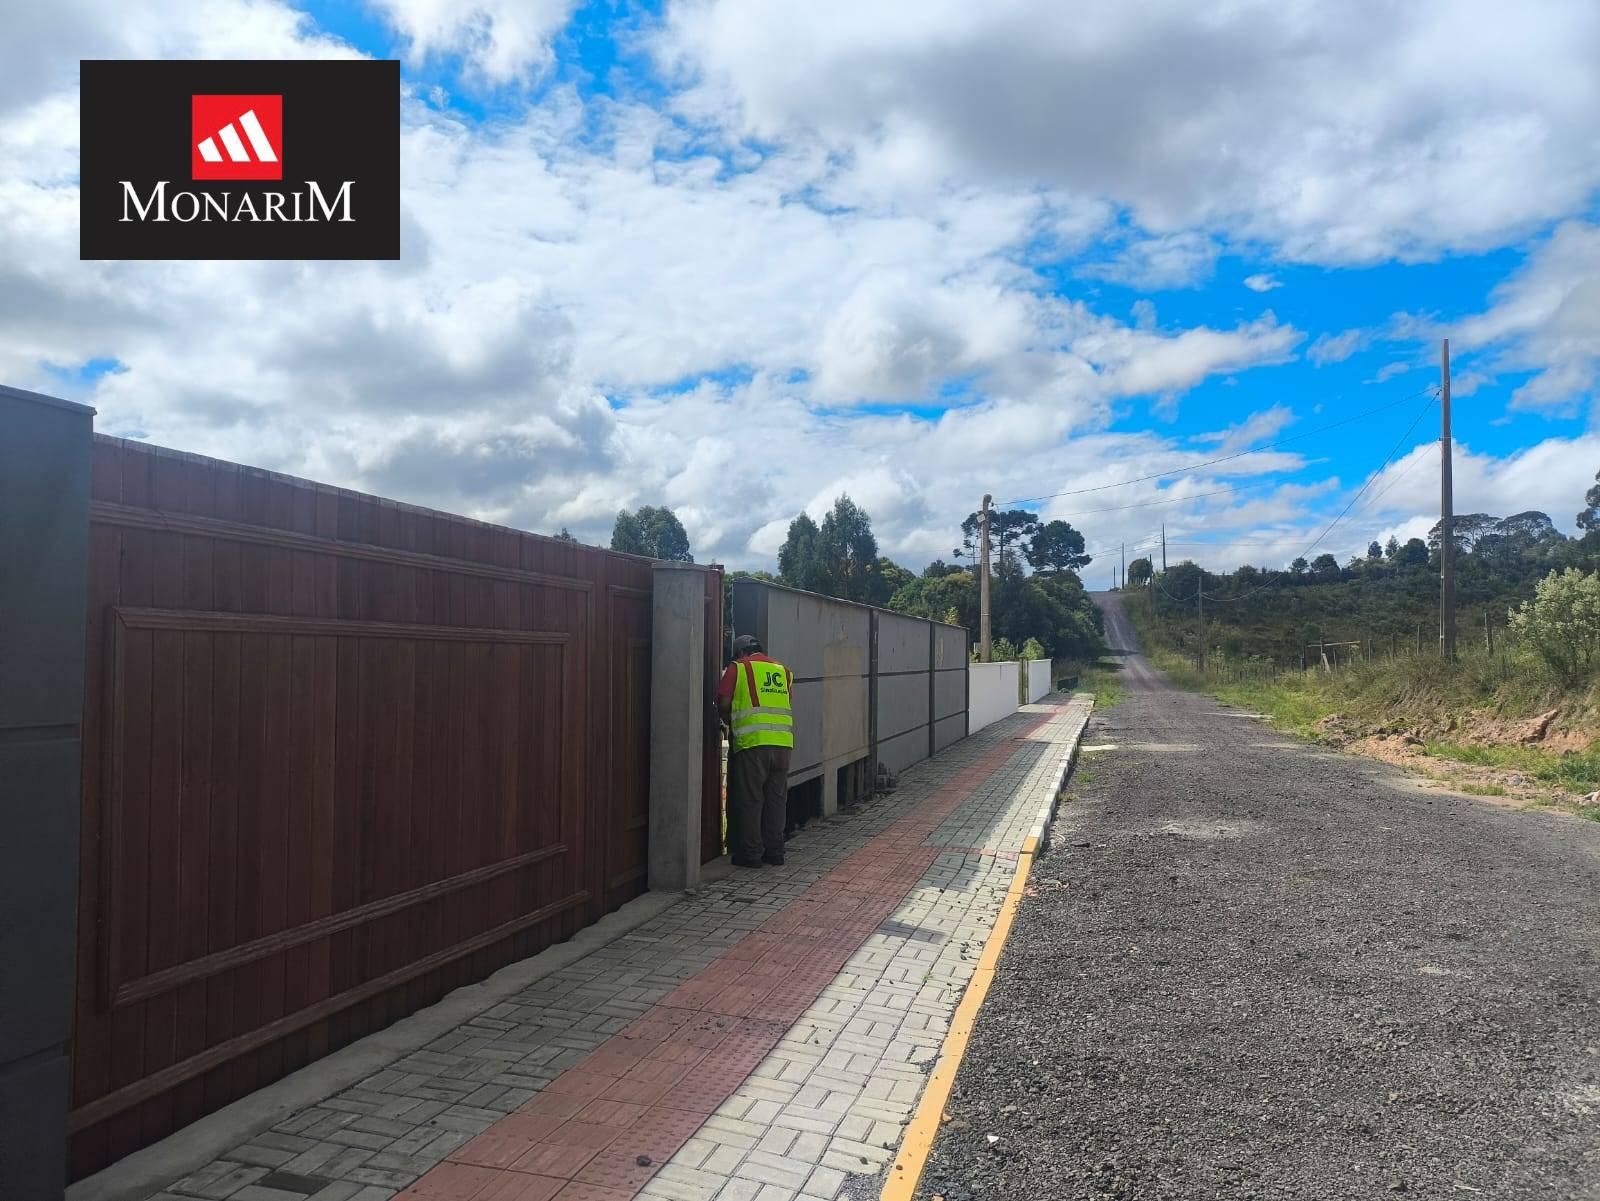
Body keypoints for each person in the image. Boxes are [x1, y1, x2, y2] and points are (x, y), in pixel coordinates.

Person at [716, 634, 794, 867]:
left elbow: (723, 702)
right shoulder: (783, 671)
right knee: (776, 800)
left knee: (751, 799)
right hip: (783, 744)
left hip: (752, 744)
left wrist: (728, 721)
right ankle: (775, 852)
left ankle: (751, 855)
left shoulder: (737, 668)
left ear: (740, 652)